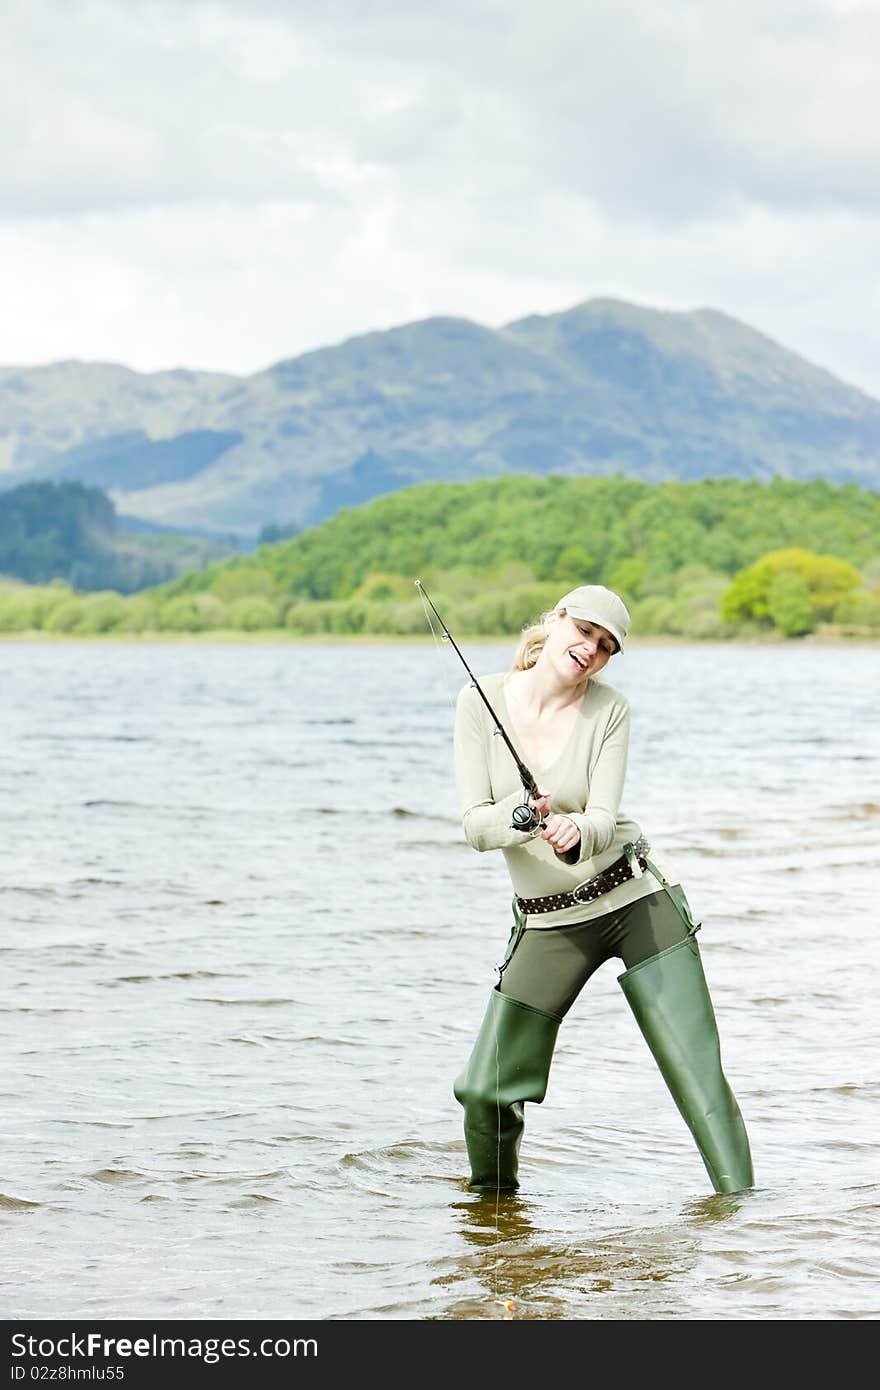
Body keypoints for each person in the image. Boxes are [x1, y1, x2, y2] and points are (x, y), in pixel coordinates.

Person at [452, 585, 754, 1196]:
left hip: (636, 903)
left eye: (605, 646)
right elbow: (474, 826)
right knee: (485, 1091)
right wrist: (518, 816)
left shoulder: (610, 708)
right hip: (547, 922)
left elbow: (604, 815)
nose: (590, 649)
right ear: (556, 620)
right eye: (584, 631)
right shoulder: (477, 700)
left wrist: (576, 829)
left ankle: (747, 1229)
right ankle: (494, 1226)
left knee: (699, 1080)